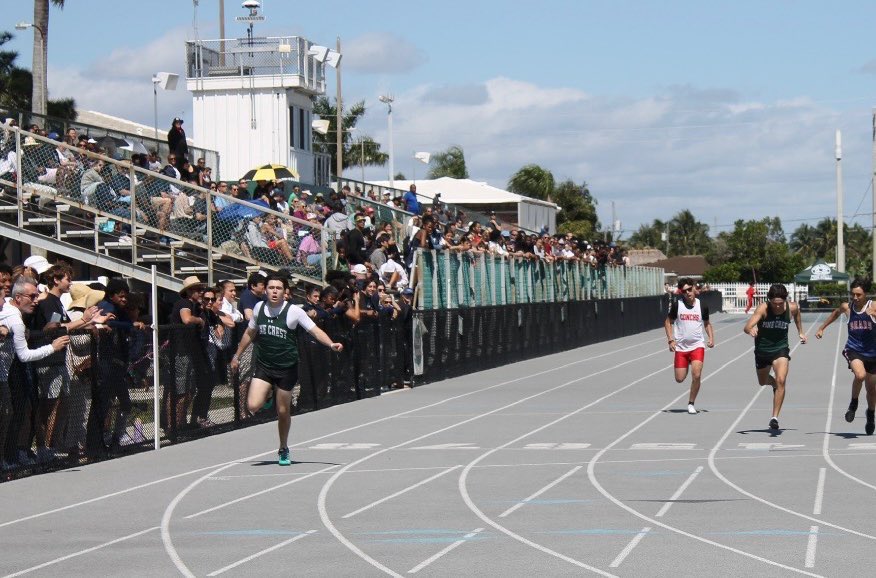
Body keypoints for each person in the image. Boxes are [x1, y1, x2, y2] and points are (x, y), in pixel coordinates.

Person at [230, 274, 343, 466]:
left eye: (278, 288)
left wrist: (331, 344)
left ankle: (283, 447)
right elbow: (250, 332)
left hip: (287, 368)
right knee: (252, 406)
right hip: (265, 365)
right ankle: (268, 395)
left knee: (283, 411)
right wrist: (237, 355)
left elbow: (314, 330)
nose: (274, 291)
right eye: (271, 288)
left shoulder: (294, 312)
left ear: (285, 292)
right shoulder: (259, 308)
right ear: (265, 290)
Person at [815, 279, 876, 434]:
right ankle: (853, 404)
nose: (855, 298)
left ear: (866, 294)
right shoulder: (847, 307)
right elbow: (835, 313)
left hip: (873, 353)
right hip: (853, 349)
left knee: (872, 391)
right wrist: (822, 328)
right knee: (860, 375)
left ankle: (870, 415)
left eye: (858, 295)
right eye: (852, 294)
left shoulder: (873, 306)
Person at [744, 284, 807, 430]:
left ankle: (774, 418)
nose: (778, 307)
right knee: (762, 381)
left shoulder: (792, 307)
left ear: (785, 300)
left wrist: (801, 332)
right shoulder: (763, 308)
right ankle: (773, 385)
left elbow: (797, 316)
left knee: (781, 380)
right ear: (769, 300)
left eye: (780, 304)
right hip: (762, 350)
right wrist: (750, 330)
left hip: (780, 348)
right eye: (774, 304)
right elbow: (747, 326)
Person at [665, 277, 714, 414]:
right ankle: (685, 364)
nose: (687, 293)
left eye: (689, 289)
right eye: (684, 291)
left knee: (697, 375)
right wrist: (671, 340)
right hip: (681, 348)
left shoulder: (702, 305)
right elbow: (668, 322)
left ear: (694, 288)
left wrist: (711, 338)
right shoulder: (677, 305)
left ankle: (691, 403)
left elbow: (707, 323)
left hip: (697, 345)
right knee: (679, 379)